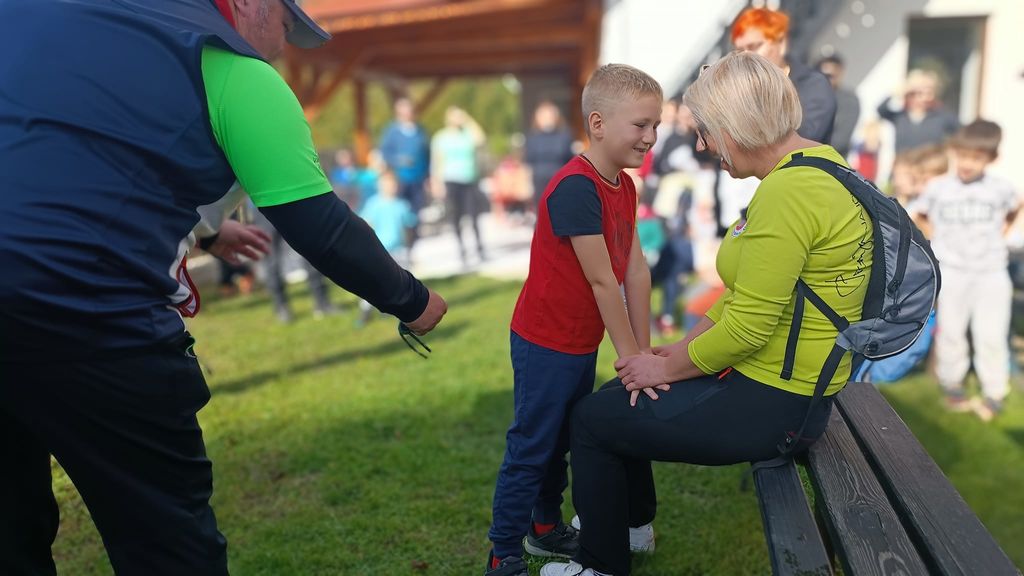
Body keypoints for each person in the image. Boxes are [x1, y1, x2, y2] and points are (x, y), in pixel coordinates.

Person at [0, 1, 448, 574]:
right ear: (246, 4)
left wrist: (208, 233)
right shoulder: (231, 67)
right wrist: (412, 300)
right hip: (92, 316)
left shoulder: (49, 16)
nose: (281, 47)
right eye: (285, 25)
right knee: (166, 541)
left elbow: (73, 154)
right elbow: (318, 223)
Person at [541, 52, 873, 576]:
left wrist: (666, 368)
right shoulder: (819, 165)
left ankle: (600, 564)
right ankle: (632, 528)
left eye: (707, 132)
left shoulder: (790, 194)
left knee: (592, 419)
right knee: (619, 394)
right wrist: (673, 354)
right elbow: (742, 298)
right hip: (790, 388)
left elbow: (747, 328)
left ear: (738, 124)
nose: (701, 146)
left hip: (777, 404)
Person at [485, 64, 661, 576]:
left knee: (562, 440)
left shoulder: (624, 186)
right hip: (545, 341)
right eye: (641, 125)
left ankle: (544, 529)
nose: (651, 137)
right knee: (533, 445)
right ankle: (503, 553)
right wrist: (629, 360)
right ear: (598, 124)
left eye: (655, 125)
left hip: (580, 341)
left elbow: (635, 270)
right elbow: (603, 282)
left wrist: (643, 352)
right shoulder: (576, 188)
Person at [909, 120, 1016, 421]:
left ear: (991, 158)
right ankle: (952, 382)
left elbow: (1015, 208)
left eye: (976, 158)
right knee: (952, 329)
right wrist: (935, 240)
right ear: (955, 152)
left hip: (991, 271)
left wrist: (1004, 235)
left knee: (991, 332)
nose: (968, 163)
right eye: (963, 156)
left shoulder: (1000, 188)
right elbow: (918, 213)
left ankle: (994, 389)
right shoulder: (939, 188)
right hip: (953, 270)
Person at [732, 7, 837, 144]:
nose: (746, 57)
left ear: (781, 42)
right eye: (740, 52)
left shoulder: (813, 85)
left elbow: (803, 139)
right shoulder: (743, 94)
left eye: (754, 47)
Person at [358, 168, 418, 324]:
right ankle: (365, 311)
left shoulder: (402, 205)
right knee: (372, 282)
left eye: (393, 184)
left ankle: (401, 310)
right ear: (379, 185)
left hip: (399, 250)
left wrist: (409, 249)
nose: (390, 187)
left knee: (401, 281)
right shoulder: (374, 204)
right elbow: (366, 223)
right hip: (379, 250)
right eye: (386, 184)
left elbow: (409, 227)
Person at [432, 106, 487, 265]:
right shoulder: (441, 138)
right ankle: (462, 250)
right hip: (451, 179)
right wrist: (437, 182)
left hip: (469, 179)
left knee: (474, 216)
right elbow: (437, 161)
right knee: (456, 216)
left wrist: (468, 119)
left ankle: (479, 248)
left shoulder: (467, 134)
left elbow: (481, 138)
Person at [877, 69, 960, 153]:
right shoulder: (900, 116)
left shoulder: (941, 115)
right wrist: (898, 91)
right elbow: (881, 110)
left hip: (929, 160)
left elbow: (962, 133)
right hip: (904, 160)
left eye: (929, 91)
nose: (925, 96)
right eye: (920, 92)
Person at [380, 97, 431, 231]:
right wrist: (399, 161)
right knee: (401, 210)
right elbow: (385, 153)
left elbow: (427, 154)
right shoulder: (392, 132)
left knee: (416, 211)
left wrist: (428, 176)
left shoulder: (420, 131)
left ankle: (413, 238)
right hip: (400, 179)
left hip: (418, 178)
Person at [524, 101, 576, 211]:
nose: (546, 119)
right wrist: (527, 186)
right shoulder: (533, 138)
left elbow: (570, 160)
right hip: (539, 183)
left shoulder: (564, 136)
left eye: (549, 116)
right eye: (543, 116)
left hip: (560, 182)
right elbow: (528, 162)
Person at [816, 54, 861, 158]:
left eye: (831, 75)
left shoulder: (849, 100)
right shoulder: (813, 96)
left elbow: (840, 139)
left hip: (833, 160)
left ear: (840, 73)